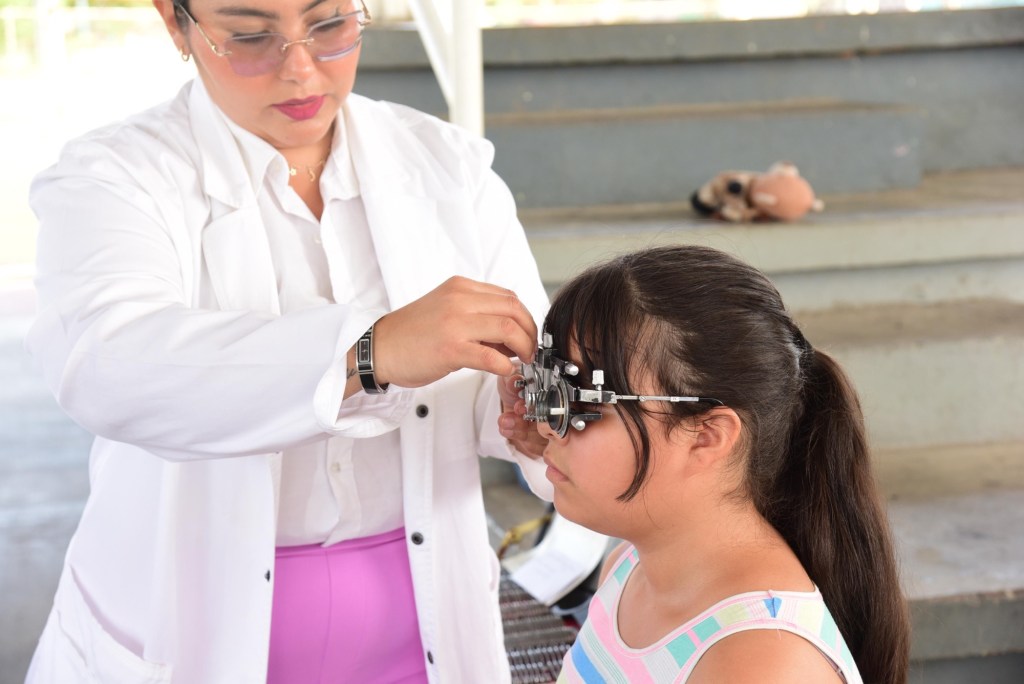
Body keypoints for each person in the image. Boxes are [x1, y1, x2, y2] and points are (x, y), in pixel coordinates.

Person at [23, 1, 552, 682]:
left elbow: (506, 369)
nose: (300, 68)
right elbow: (107, 364)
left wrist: (522, 421)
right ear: (176, 22)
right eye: (250, 36)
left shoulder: (450, 166)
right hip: (186, 636)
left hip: (423, 631)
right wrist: (369, 353)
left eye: (329, 25)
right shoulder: (113, 177)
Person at [527, 245, 910, 683]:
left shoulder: (762, 664)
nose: (545, 426)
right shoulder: (627, 569)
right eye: (548, 387)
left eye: (580, 399)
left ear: (706, 435)